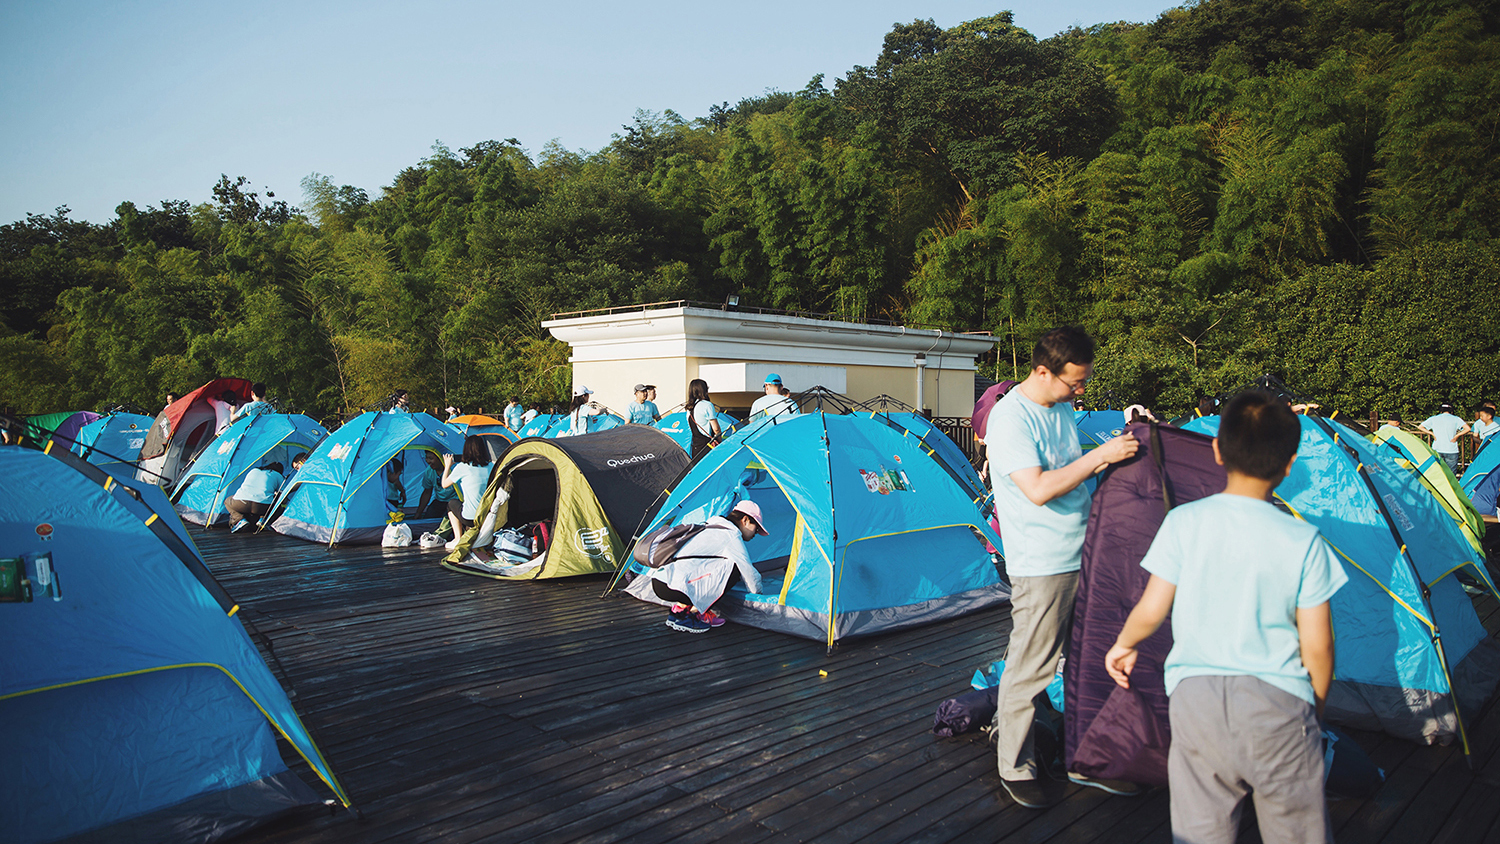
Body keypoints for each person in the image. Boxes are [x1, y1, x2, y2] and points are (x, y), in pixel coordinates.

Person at [1105, 390, 1346, 844]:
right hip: (1278, 703)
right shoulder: (1304, 539)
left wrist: (1124, 645)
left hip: (1197, 702)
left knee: (1200, 830)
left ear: (1216, 450)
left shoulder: (1184, 522)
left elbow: (1152, 608)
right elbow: (1319, 646)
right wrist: (1311, 708)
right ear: (1289, 463)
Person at [985, 326, 1140, 808]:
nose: (1082, 391)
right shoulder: (1011, 419)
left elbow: (1073, 465)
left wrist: (1124, 434)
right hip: (1043, 564)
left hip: (1085, 553)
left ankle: (1088, 757)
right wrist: (1101, 456)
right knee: (1031, 668)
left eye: (1085, 382)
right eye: (1075, 383)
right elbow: (1038, 488)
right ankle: (1015, 765)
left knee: (1090, 663)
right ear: (1041, 371)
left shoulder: (1063, 406)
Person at [648, 499, 769, 633]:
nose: (755, 533)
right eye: (756, 528)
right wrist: (759, 598)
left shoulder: (710, 525)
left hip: (659, 581)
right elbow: (749, 572)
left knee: (712, 564)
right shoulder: (731, 535)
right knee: (734, 568)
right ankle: (692, 615)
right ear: (745, 520)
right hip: (675, 587)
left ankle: (680, 611)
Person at [440, 436, 493, 550]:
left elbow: (444, 484)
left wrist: (447, 466)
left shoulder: (462, 467)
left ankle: (458, 538)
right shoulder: (491, 467)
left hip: (470, 518)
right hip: (488, 517)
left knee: (451, 504)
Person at [226, 462, 284, 532]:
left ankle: (239, 520)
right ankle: (263, 519)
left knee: (227, 501)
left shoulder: (253, 471)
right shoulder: (278, 475)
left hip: (241, 503)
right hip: (262, 506)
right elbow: (283, 493)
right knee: (274, 502)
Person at [1419, 403, 1469, 472]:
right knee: (1451, 473)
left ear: (1440, 411)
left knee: (1438, 472)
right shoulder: (1456, 419)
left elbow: (1420, 427)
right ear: (1451, 411)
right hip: (1451, 448)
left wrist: (1431, 433)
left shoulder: (1433, 418)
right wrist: (1457, 436)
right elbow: (1467, 428)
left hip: (1437, 447)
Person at [686, 378, 722, 459]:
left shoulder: (689, 408)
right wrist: (720, 441)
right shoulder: (707, 405)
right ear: (704, 390)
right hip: (708, 446)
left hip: (695, 446)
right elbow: (716, 429)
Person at [418, 451, 459, 519]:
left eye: (431, 458)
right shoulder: (429, 471)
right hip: (439, 501)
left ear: (440, 458)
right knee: (429, 517)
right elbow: (427, 492)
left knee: (447, 520)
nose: (428, 461)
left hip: (454, 501)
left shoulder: (454, 469)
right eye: (426, 458)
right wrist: (418, 513)